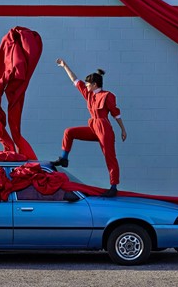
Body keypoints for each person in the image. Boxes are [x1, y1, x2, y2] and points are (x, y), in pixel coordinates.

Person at [52, 58, 127, 197]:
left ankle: (113, 187)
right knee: (69, 132)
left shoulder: (107, 96)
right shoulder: (89, 94)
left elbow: (116, 114)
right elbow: (75, 80)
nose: (86, 85)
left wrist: (123, 129)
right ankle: (64, 158)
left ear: (94, 84)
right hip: (93, 126)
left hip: (104, 128)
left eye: (88, 84)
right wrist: (64, 66)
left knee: (110, 157)